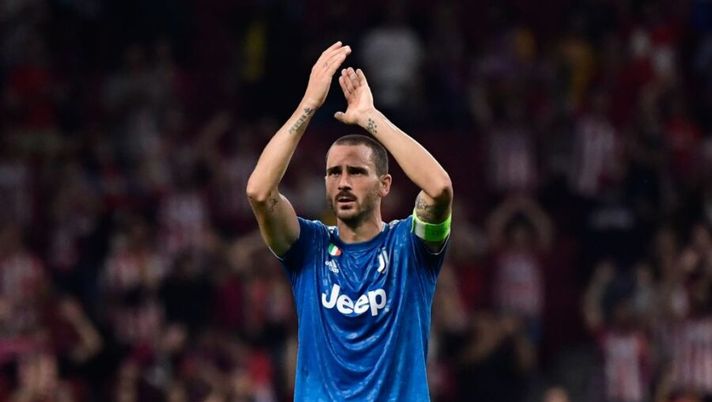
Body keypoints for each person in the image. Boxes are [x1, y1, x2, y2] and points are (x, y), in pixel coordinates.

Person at [246, 41, 453, 401]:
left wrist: (371, 117)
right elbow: (260, 192)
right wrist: (309, 105)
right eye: (333, 173)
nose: (342, 182)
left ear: (384, 185)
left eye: (356, 172)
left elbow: (439, 189)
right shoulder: (307, 248)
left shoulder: (411, 247)